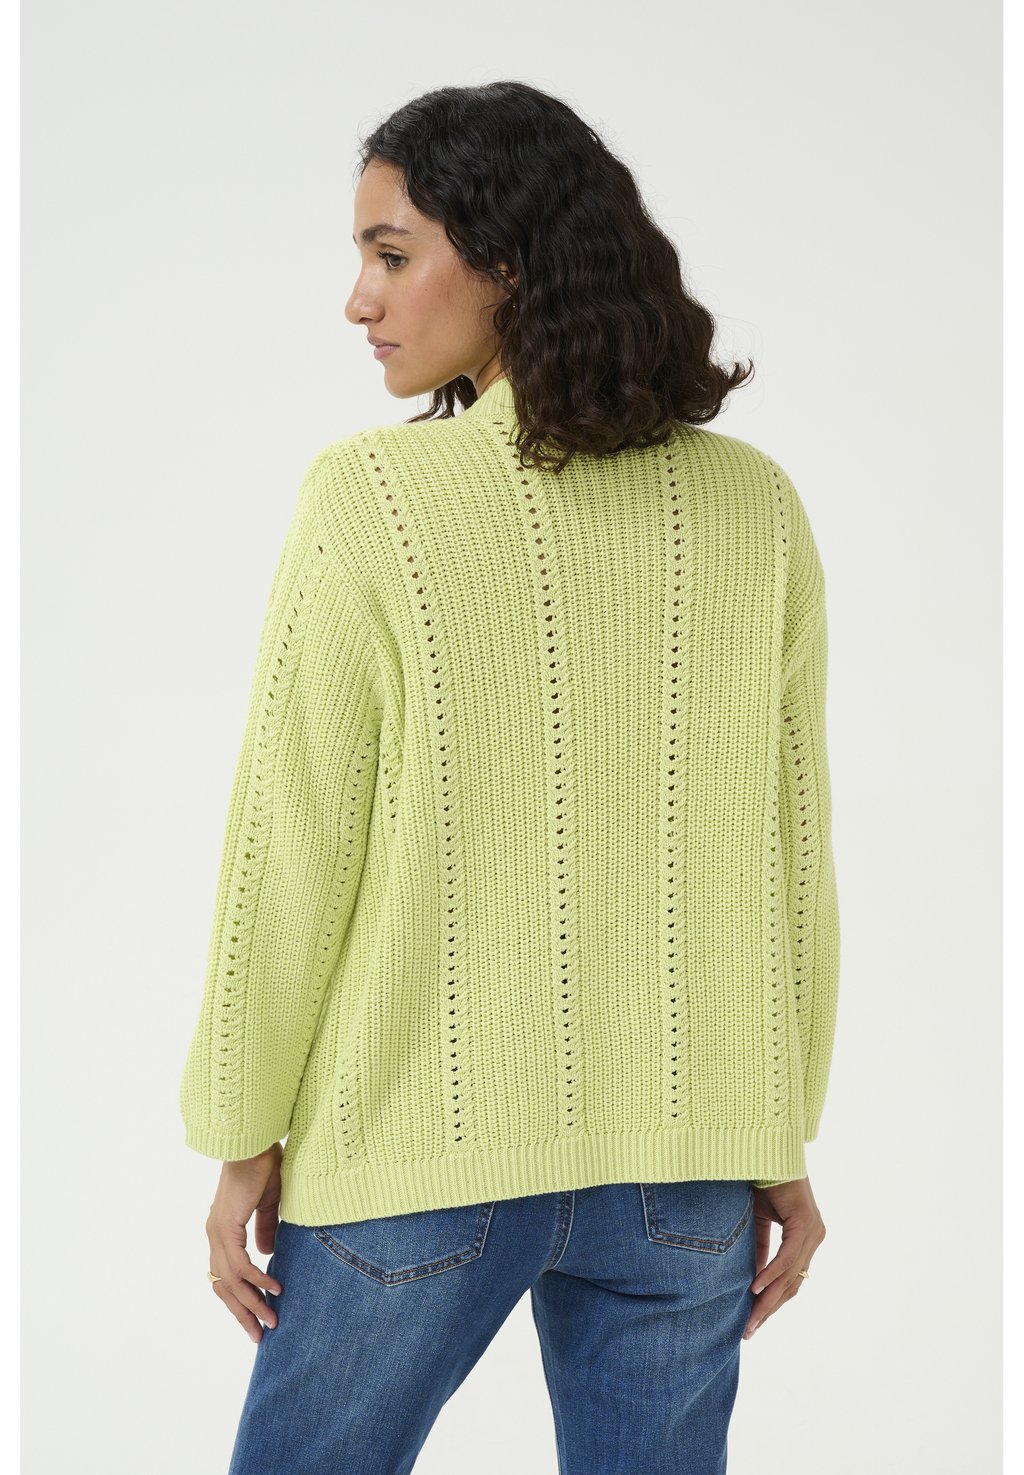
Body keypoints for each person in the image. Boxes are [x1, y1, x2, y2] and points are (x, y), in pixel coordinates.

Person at [179, 79, 838, 1474]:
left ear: (511, 262)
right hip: (685, 1172)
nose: (359, 301)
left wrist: (241, 1132)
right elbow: (790, 858)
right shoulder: (755, 508)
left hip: (419, 1151)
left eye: (392, 254)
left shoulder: (373, 498)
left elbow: (295, 840)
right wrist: (774, 1130)